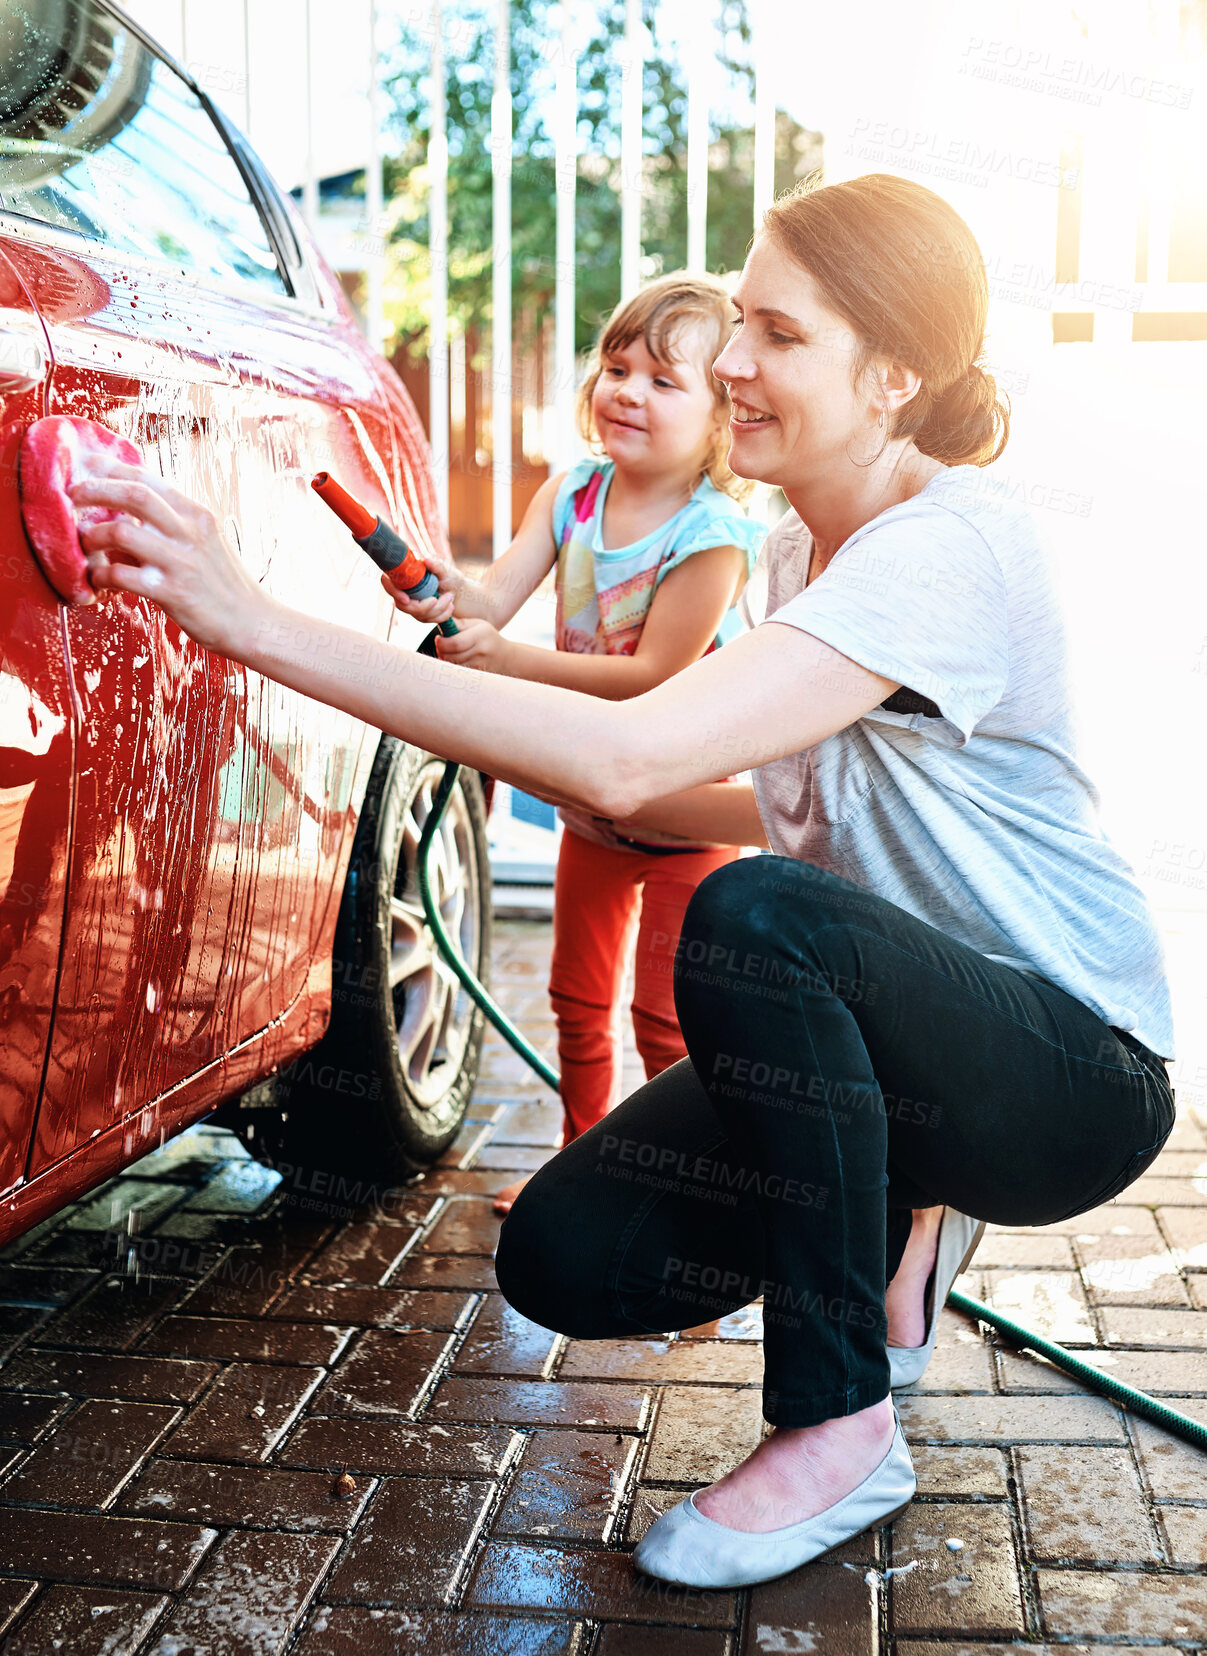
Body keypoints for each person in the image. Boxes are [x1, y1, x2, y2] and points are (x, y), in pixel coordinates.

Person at [71, 172, 1176, 1593]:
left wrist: (249, 621)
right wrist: (585, 752)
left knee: (748, 916)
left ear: (889, 376)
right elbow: (729, 790)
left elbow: (629, 759)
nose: (727, 362)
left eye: (773, 335)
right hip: (922, 1040)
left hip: (1072, 1074)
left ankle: (838, 1414)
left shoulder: (947, 548)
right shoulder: (796, 544)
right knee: (569, 1257)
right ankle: (899, 1197)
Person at [392, 275, 764, 1215]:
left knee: (665, 1022)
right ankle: (580, 1176)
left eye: (663, 382)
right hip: (589, 809)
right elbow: (490, 601)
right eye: (616, 367)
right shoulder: (573, 495)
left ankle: (673, 1193)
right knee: (575, 1000)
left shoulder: (713, 534)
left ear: (722, 415)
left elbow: (654, 679)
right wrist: (443, 591)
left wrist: (509, 662)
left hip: (686, 810)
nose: (627, 391)